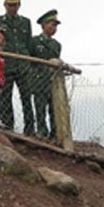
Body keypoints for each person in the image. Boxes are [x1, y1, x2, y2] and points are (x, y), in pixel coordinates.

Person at [0, 0, 35, 135]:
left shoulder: (25, 22)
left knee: (26, 98)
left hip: (23, 65)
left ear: (19, 5)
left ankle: (30, 129)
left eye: (15, 4)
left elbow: (28, 44)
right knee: (5, 97)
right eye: (10, 5)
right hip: (6, 65)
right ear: (5, 5)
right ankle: (8, 127)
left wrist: (28, 62)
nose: (12, 7)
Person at [30, 9, 62, 139]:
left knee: (54, 109)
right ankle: (42, 131)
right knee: (40, 107)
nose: (54, 27)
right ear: (44, 25)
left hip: (52, 80)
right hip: (38, 79)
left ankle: (55, 134)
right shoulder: (34, 41)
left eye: (56, 25)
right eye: (52, 24)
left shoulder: (57, 45)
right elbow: (30, 60)